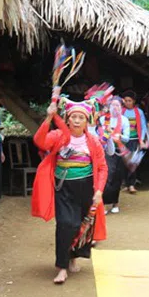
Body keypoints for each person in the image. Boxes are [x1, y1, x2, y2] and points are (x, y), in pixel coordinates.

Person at [32, 99, 108, 284]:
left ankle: (73, 258)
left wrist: (98, 191)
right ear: (67, 119)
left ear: (87, 121)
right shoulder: (58, 135)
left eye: (80, 117)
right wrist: (49, 117)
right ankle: (62, 267)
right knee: (67, 224)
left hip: (86, 188)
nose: (76, 120)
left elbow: (102, 168)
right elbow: (40, 141)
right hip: (63, 188)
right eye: (73, 116)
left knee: (82, 227)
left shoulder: (93, 141)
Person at [99, 97, 130, 214]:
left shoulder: (125, 120)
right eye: (113, 105)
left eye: (117, 105)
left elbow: (127, 138)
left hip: (120, 150)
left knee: (118, 176)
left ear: (121, 108)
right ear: (109, 107)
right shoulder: (102, 119)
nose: (115, 108)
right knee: (107, 176)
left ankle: (115, 203)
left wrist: (119, 136)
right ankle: (105, 204)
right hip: (106, 150)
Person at [121, 90, 148, 194]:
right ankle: (125, 183)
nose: (127, 103)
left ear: (134, 101)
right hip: (123, 141)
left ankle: (131, 184)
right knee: (123, 163)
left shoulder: (139, 112)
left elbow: (143, 127)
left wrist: (141, 140)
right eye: (126, 101)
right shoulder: (121, 111)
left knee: (132, 162)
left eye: (130, 101)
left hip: (134, 140)